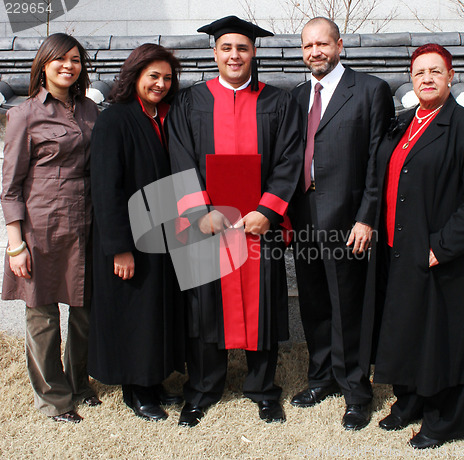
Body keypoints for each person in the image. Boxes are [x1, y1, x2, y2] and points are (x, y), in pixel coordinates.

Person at [359, 44, 464, 448]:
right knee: (406, 329)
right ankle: (409, 402)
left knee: (444, 336)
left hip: (442, 253)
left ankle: (446, 421)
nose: (427, 78)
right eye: (419, 72)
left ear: (450, 76)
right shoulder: (402, 122)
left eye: (436, 71)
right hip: (399, 248)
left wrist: (443, 245)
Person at [168, 15, 302, 427]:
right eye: (226, 48)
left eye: (242, 48)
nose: (234, 55)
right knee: (205, 307)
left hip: (258, 228)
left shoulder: (278, 102)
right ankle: (203, 389)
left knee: (260, 306)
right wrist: (199, 211)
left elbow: (289, 160)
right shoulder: (191, 101)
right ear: (214, 53)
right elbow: (179, 157)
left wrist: (266, 211)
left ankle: (263, 390)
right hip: (208, 228)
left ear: (254, 52)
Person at [288, 17, 394, 430]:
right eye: (307, 46)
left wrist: (367, 217)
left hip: (348, 222)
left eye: (322, 44)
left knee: (348, 306)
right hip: (303, 218)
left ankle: (355, 391)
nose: (314, 52)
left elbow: (376, 161)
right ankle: (322, 378)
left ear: (339, 45)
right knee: (314, 302)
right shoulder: (296, 97)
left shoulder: (370, 90)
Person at [1, 33, 100, 423]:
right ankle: (54, 399)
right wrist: (15, 245)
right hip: (40, 228)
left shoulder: (92, 111)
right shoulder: (24, 114)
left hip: (87, 224)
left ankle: (80, 383)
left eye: (75, 60)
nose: (68, 66)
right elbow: (9, 187)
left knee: (86, 311)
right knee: (41, 316)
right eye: (59, 59)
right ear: (43, 65)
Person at [88, 44, 185, 421]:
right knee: (133, 313)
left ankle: (155, 379)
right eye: (153, 76)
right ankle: (136, 390)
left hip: (161, 234)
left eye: (167, 77)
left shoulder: (165, 116)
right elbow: (105, 189)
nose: (161, 84)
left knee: (155, 312)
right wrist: (119, 249)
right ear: (135, 77)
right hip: (129, 237)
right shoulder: (115, 120)